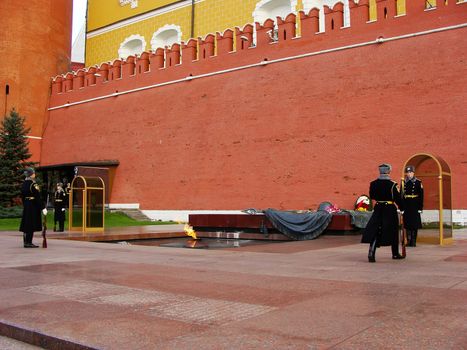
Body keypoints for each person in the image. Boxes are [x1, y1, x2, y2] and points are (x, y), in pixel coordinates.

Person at [361, 163, 404, 262]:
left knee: (376, 229)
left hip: (378, 208)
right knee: (393, 230)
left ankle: (371, 252)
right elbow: (397, 198)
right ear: (388, 171)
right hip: (389, 208)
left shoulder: (373, 183)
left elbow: (372, 196)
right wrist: (402, 208)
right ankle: (395, 254)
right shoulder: (393, 184)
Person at [19, 167, 47, 248]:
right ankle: (28, 242)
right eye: (33, 173)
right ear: (31, 175)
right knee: (31, 223)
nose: (34, 174)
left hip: (27, 204)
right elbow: (37, 197)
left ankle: (25, 241)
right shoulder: (33, 184)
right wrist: (43, 207)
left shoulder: (24, 183)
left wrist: (25, 204)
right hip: (32, 205)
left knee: (26, 223)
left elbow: (22, 196)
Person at [401, 165, 423, 247]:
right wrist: (401, 207)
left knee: (414, 223)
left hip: (415, 204)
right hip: (406, 204)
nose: (409, 174)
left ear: (413, 173)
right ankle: (408, 240)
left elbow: (421, 196)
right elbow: (401, 196)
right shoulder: (403, 182)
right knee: (407, 223)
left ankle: (413, 241)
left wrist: (420, 208)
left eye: (410, 172)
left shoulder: (418, 182)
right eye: (407, 172)